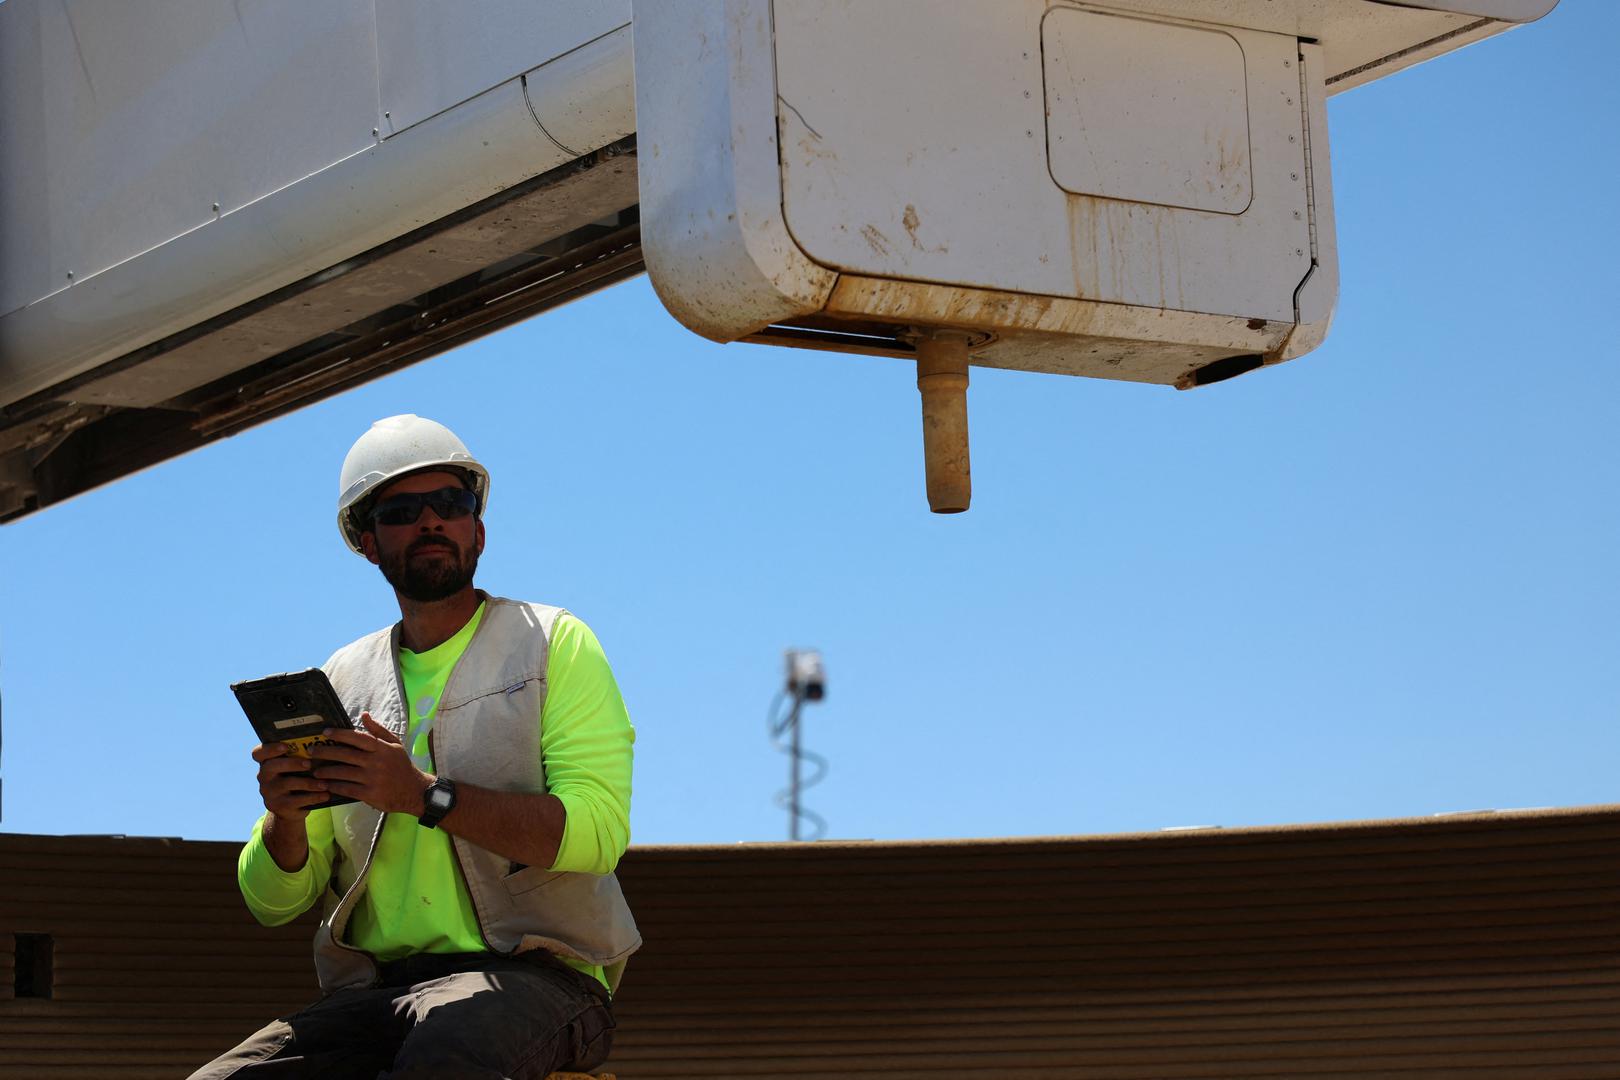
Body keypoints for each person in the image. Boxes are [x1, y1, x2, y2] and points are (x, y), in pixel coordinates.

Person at [190, 414, 640, 1080]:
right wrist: (285, 819)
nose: (432, 521)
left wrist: (422, 794)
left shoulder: (554, 644)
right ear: (369, 543)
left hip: (544, 979)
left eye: (451, 504)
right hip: (375, 991)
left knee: (445, 1055)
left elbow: (596, 834)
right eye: (403, 511)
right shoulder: (342, 679)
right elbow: (272, 901)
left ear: (477, 529)